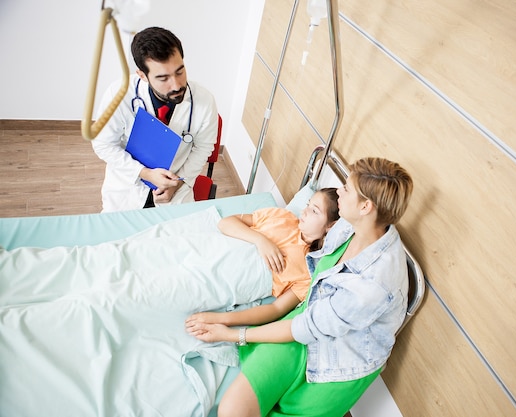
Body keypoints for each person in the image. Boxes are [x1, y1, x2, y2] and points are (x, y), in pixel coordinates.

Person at [186, 157, 414, 417]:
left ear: (365, 206)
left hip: (339, 361)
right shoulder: (347, 228)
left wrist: (231, 334)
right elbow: (305, 317)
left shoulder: (372, 286)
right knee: (232, 410)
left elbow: (303, 326)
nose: (339, 190)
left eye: (346, 189)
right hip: (306, 324)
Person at [92, 26, 219, 212]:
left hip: (175, 190)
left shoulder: (204, 100)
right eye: (163, 78)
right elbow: (103, 145)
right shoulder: (119, 94)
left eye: (179, 71)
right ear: (142, 75)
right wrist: (145, 174)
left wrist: (178, 183)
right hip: (128, 190)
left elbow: (203, 147)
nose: (176, 84)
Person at [186, 187, 339, 328]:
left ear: (331, 226)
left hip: (226, 280)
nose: (304, 211)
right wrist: (261, 240)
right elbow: (225, 223)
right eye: (308, 204)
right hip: (213, 251)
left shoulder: (310, 269)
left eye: (314, 211)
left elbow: (276, 309)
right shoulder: (282, 217)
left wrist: (221, 319)